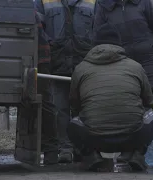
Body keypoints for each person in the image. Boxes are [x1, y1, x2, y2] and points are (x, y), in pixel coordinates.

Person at [68, 23, 153, 171]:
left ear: (95, 45)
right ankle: (136, 154)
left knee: (72, 123)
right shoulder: (135, 66)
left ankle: (92, 156)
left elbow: (73, 103)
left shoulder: (81, 68)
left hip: (94, 138)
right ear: (119, 44)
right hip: (132, 136)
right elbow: (149, 101)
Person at [34, 0, 96, 163]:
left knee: (83, 108)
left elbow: (99, 29)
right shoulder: (43, 1)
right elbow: (37, 29)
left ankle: (81, 148)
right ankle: (65, 149)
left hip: (86, 64)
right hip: (57, 63)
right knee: (59, 108)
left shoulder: (94, 1)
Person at [93, 0, 153, 95]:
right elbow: (98, 38)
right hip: (122, 65)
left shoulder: (143, 2)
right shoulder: (103, 6)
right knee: (131, 98)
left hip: (149, 61)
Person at [35, 11, 59, 165]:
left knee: (44, 102)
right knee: (45, 102)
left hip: (40, 52)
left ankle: (51, 150)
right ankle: (51, 150)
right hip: (41, 52)